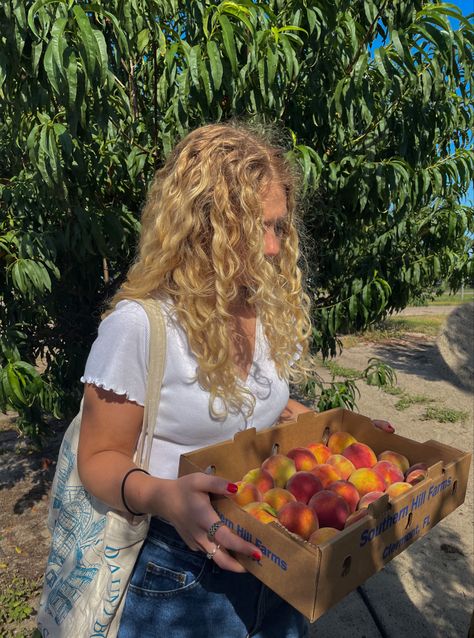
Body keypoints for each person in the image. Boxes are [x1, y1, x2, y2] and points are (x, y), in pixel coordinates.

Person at [77, 122, 393, 638]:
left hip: (280, 550)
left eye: (279, 227)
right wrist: (164, 497)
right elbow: (96, 459)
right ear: (205, 226)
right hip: (182, 569)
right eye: (258, 228)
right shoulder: (141, 325)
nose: (273, 248)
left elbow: (263, 411)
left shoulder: (263, 308)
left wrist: (344, 439)